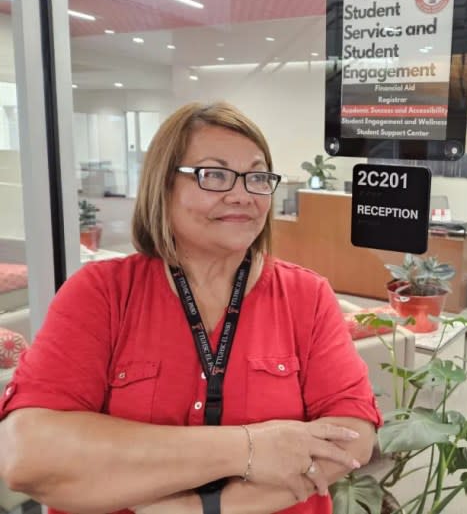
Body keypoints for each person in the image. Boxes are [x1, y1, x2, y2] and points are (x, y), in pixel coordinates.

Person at [0, 102, 381, 514]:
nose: (241, 195)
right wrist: (250, 448)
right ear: (163, 187)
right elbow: (28, 455)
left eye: (257, 177)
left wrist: (203, 509)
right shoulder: (101, 293)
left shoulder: (306, 295)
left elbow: (352, 435)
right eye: (214, 175)